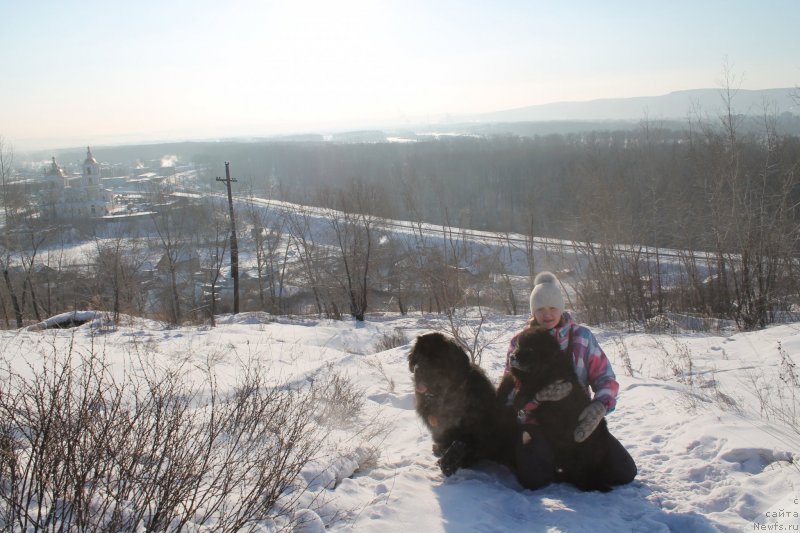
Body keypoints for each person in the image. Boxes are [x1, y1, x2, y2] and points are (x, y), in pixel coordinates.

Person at [502, 271, 637, 490]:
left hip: (577, 420)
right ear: (533, 311)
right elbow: (510, 393)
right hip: (537, 424)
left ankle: (566, 459)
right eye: (540, 309)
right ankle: (543, 456)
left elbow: (606, 378)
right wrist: (536, 399)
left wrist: (600, 406)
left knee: (624, 472)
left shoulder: (582, 337)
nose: (547, 315)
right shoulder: (519, 342)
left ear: (562, 307)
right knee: (533, 480)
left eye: (553, 307)